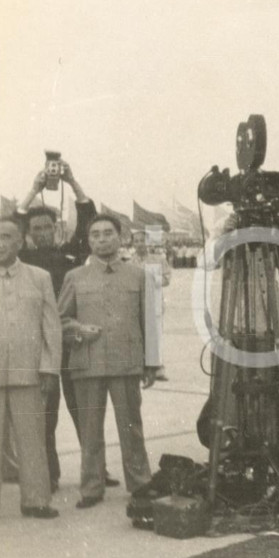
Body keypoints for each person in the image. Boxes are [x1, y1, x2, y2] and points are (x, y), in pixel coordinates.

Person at [0, 218, 61, 526]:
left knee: (32, 439)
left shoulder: (39, 277)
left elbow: (51, 327)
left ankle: (36, 501)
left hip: (29, 372)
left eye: (5, 237)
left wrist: (49, 368)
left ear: (20, 242)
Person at [15, 163, 107, 490]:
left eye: (47, 227)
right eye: (35, 228)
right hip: (41, 346)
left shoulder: (71, 254)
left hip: (71, 342)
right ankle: (48, 474)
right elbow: (13, 222)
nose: (41, 233)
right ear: (28, 234)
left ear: (57, 229)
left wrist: (72, 181)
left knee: (84, 410)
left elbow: (89, 220)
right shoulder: (21, 258)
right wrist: (34, 186)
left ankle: (95, 472)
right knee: (45, 415)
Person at [58, 215, 158, 508]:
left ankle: (140, 483)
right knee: (90, 429)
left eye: (108, 233)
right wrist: (78, 330)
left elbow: (149, 322)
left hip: (125, 363)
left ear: (120, 236)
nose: (102, 239)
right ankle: (91, 487)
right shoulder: (75, 277)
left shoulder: (139, 275)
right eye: (96, 235)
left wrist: (151, 364)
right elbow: (59, 319)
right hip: (87, 363)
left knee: (131, 426)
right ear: (88, 241)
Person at [130, 228, 171, 381]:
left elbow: (167, 279)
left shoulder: (158, 259)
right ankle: (142, 368)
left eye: (142, 240)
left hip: (154, 302)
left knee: (156, 336)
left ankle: (158, 369)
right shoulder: (129, 262)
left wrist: (153, 280)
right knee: (139, 335)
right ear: (133, 243)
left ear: (147, 242)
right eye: (136, 241)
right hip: (136, 304)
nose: (139, 244)